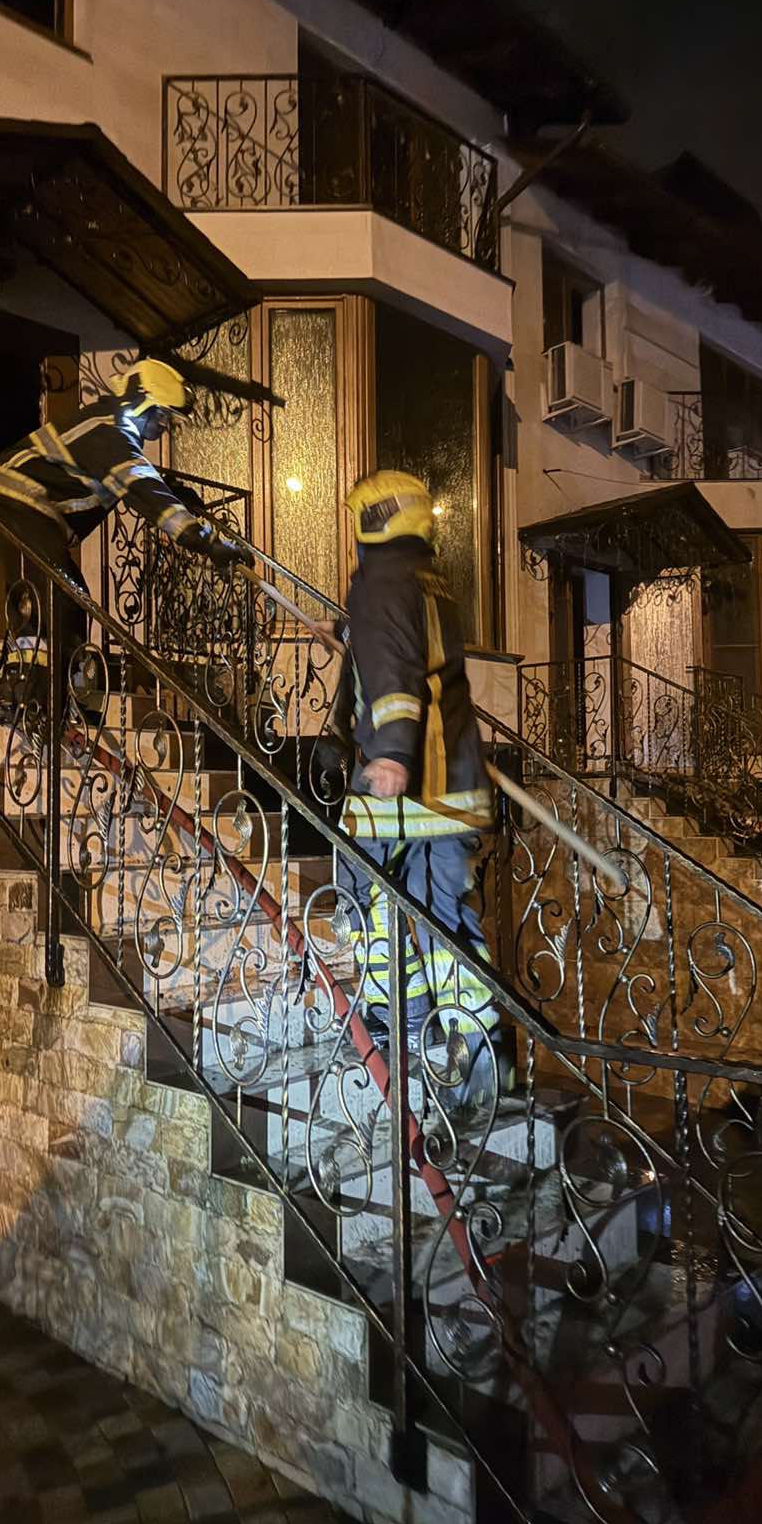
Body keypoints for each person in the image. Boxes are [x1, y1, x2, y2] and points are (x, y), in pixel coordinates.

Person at [324, 468, 513, 1110]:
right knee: (444, 913)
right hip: (455, 780)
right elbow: (389, 651)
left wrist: (391, 753)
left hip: (408, 784)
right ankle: (477, 1045)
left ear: (372, 520)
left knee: (361, 890)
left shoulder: (378, 582)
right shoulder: (429, 579)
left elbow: (394, 670)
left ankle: (392, 1018)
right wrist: (344, 642)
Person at [0, 357, 252, 704]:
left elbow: (136, 476)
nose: (165, 427)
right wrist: (207, 542)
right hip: (17, 500)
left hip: (29, 507)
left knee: (68, 601)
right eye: (164, 416)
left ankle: (51, 694)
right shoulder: (110, 432)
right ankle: (26, 692)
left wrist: (177, 493)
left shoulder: (110, 430)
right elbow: (140, 485)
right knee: (55, 597)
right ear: (144, 404)